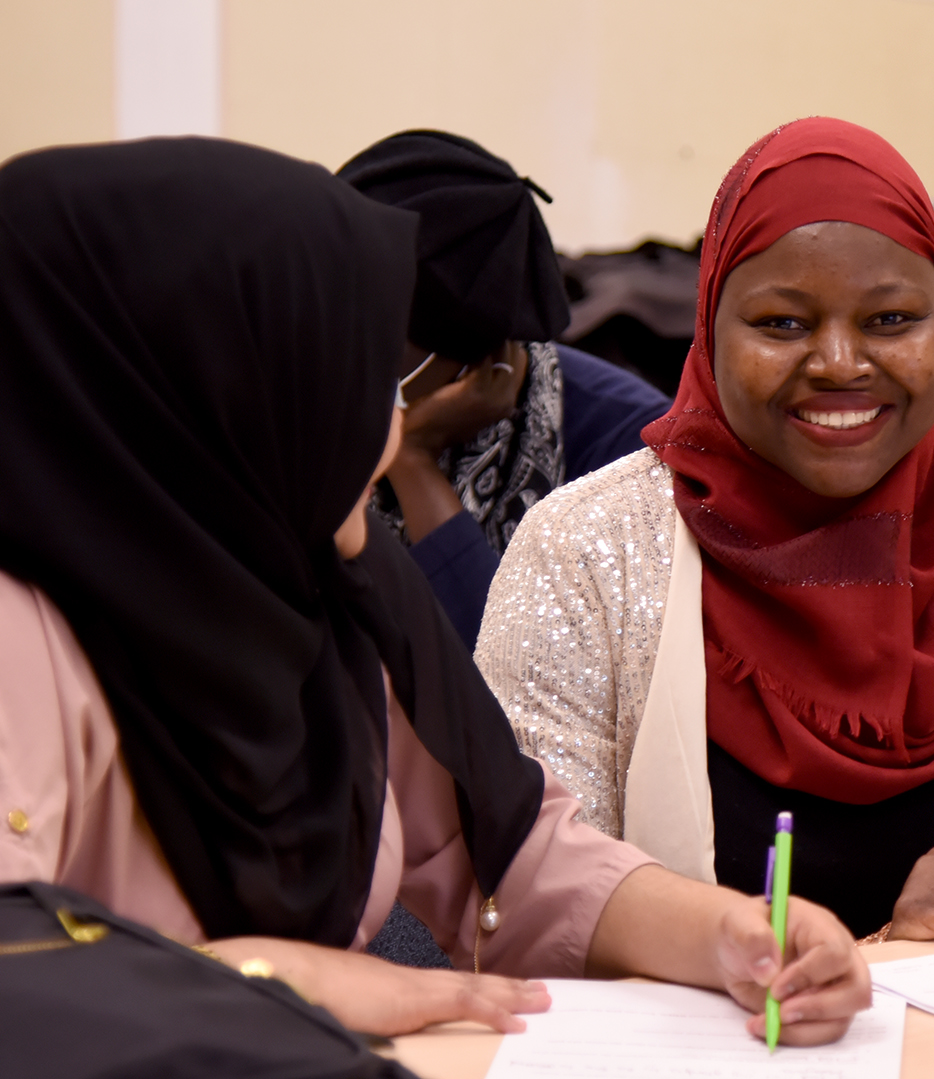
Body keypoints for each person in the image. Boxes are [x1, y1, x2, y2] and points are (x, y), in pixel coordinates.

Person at [0, 137, 868, 1042]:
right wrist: (278, 978)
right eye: (340, 378)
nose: (390, 430)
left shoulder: (329, 581)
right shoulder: (21, 626)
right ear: (200, 391)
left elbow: (506, 852)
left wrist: (723, 933)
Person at [477, 118, 934, 943]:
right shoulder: (587, 553)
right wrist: (885, 951)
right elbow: (530, 925)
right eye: (782, 324)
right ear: (710, 329)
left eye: (891, 320)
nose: (841, 362)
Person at [336, 131, 672, 649]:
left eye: (378, 332)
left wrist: (413, 465)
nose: (342, 347)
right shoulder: (311, 395)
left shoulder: (625, 450)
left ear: (474, 360)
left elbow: (504, 680)